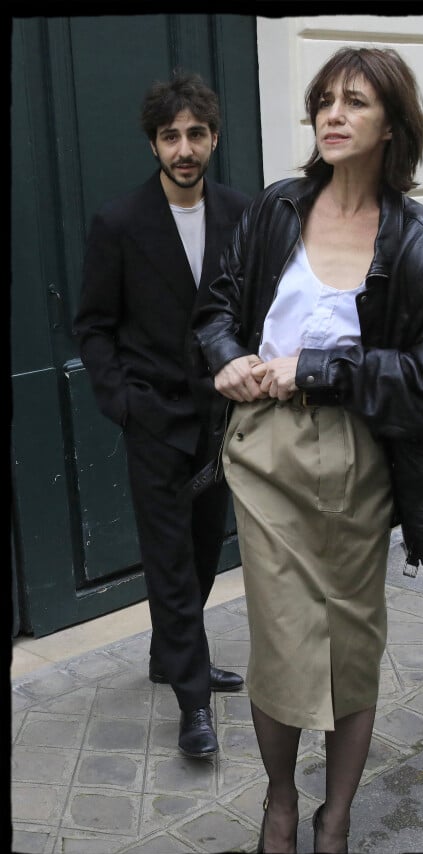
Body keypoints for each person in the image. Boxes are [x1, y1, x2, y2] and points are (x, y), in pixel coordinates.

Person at [191, 47, 423, 853]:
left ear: (392, 124)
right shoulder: (277, 210)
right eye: (324, 99)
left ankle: (338, 813)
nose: (331, 114)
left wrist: (317, 367)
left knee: (351, 641)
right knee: (282, 639)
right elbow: (217, 303)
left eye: (354, 101)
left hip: (360, 457)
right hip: (266, 454)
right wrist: (228, 356)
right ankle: (282, 803)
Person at [73, 71, 250, 759]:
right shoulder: (119, 223)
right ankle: (192, 702)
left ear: (212, 139)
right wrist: (121, 401)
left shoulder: (240, 213)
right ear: (154, 143)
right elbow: (93, 325)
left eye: (195, 134)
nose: (184, 147)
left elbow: (252, 307)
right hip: (154, 420)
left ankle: (170, 654)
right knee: (171, 563)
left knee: (204, 553)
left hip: (220, 422)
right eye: (171, 135)